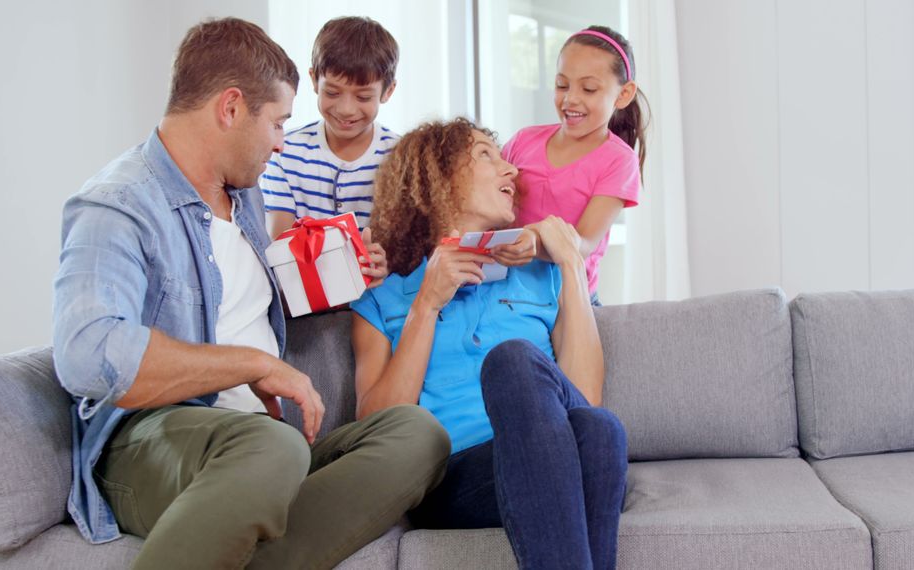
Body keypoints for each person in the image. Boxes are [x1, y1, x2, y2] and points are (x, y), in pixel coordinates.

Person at [52, 18, 449, 569]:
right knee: (272, 447)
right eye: (279, 123)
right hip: (152, 443)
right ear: (231, 108)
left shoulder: (245, 200)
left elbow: (258, 302)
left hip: (265, 445)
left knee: (417, 434)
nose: (283, 142)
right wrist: (251, 365)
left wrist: (345, 272)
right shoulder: (118, 205)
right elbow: (88, 356)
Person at [350, 118, 628, 570]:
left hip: (556, 452)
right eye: (486, 155)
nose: (511, 171)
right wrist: (427, 303)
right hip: (454, 476)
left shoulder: (544, 275)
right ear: (437, 176)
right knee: (520, 365)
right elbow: (378, 425)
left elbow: (585, 400)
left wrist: (572, 263)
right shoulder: (384, 295)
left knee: (601, 430)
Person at [496, 25, 648, 305]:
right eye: (562, 85)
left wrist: (536, 241)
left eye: (588, 89)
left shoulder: (619, 160)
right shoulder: (522, 141)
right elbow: (491, 205)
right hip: (509, 296)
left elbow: (585, 243)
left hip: (571, 302)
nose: (570, 99)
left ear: (623, 94)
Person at [262, 16, 401, 239]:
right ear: (314, 80)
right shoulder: (284, 152)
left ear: (388, 91)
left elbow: (402, 250)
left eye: (363, 97)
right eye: (332, 93)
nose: (346, 109)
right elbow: (280, 246)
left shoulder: (400, 158)